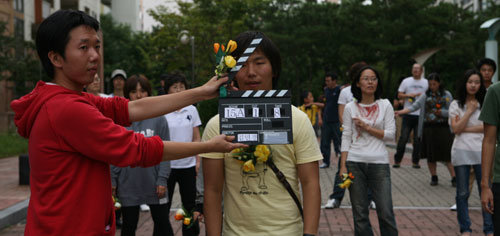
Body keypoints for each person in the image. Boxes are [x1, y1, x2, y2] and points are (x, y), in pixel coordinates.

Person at [10, 10, 245, 235]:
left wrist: (202, 92)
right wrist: (208, 146)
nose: (95, 55)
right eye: (84, 47)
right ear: (55, 57)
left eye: (97, 46)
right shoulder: (66, 108)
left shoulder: (68, 98)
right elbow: (138, 149)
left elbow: (130, 108)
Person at [201, 31, 322, 235]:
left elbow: (310, 183)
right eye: (242, 64)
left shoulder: (297, 121)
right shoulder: (217, 125)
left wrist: (309, 233)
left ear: (274, 69)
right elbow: (212, 190)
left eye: (259, 63)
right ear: (231, 71)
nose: (251, 72)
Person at [339, 66, 397, 235]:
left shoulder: (385, 105)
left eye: (374, 78)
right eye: (366, 78)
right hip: (354, 163)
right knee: (360, 214)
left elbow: (391, 135)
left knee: (386, 211)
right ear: (358, 83)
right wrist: (343, 166)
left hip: (379, 164)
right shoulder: (351, 107)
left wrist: (367, 127)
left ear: (377, 83)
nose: (370, 82)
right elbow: (346, 137)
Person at [111, 74, 172, 236]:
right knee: (129, 226)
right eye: (133, 91)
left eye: (143, 91)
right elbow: (114, 153)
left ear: (149, 93)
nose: (139, 96)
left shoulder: (159, 118)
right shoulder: (119, 120)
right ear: (127, 94)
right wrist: (112, 180)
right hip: (128, 184)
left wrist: (162, 179)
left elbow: (166, 151)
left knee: (163, 225)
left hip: (154, 183)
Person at [325, 61, 375, 210]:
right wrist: (351, 129)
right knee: (344, 165)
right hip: (350, 136)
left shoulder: (371, 91)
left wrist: (367, 127)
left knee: (367, 167)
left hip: (368, 135)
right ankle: (336, 198)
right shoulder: (346, 92)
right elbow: (341, 114)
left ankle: (370, 199)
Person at [448, 69, 492, 236]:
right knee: (462, 192)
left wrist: (465, 127)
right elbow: (456, 129)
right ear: (464, 83)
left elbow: (487, 127)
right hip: (461, 152)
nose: (473, 85)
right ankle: (465, 228)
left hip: (482, 152)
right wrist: (470, 111)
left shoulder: (486, 102)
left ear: (481, 85)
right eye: (470, 82)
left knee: (485, 190)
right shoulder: (455, 104)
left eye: (477, 82)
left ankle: (489, 228)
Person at [395, 73, 455, 186]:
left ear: (439, 83)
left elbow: (453, 110)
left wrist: (442, 113)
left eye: (435, 84)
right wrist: (400, 112)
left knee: (447, 154)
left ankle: (454, 177)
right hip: (429, 128)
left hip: (443, 128)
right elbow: (414, 107)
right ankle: (434, 176)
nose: (432, 86)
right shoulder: (425, 95)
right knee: (430, 154)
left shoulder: (446, 95)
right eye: (430, 84)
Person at [163, 73, 202, 236]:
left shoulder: (191, 109)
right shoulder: (163, 110)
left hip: (188, 165)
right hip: (167, 166)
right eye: (174, 87)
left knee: (189, 206)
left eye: (182, 86)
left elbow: (196, 138)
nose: (179, 90)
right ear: (167, 90)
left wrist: (197, 161)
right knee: (164, 207)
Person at [393, 63, 428, 168]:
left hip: (420, 114)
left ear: (421, 71)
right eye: (414, 69)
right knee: (403, 138)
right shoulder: (406, 81)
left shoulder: (426, 82)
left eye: (418, 69)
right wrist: (409, 95)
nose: (416, 70)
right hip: (407, 113)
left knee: (418, 139)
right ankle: (397, 160)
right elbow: (399, 94)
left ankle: (415, 162)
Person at [320, 72, 342, 168]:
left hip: (337, 120)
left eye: (328, 81)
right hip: (327, 120)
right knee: (324, 142)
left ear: (334, 81)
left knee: (340, 141)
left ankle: (344, 162)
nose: (327, 83)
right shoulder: (326, 90)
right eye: (326, 81)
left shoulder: (340, 90)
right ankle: (325, 161)